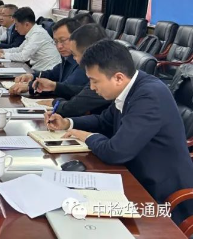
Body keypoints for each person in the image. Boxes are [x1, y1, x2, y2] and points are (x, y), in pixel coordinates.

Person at [46, 40, 193, 223]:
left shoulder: (149, 96)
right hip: (135, 176)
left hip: (162, 197)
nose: (92, 87)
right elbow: (103, 121)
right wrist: (68, 123)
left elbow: (116, 152)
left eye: (94, 81)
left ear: (118, 78)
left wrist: (88, 137)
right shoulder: (131, 88)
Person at [34, 24, 112, 116]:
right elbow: (84, 91)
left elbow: (71, 108)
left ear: (87, 53)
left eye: (75, 55)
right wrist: (55, 86)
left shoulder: (105, 76)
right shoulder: (103, 66)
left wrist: (55, 102)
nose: (74, 59)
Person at [9, 18, 87, 96]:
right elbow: (52, 74)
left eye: (63, 40)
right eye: (56, 41)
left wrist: (30, 86)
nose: (59, 46)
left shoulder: (82, 61)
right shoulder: (67, 57)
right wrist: (32, 76)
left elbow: (66, 88)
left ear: (77, 38)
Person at [0, 7, 60, 71]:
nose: (15, 29)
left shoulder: (37, 34)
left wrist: (3, 55)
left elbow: (23, 57)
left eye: (16, 25)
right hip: (38, 69)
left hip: (47, 72)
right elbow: (19, 49)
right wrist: (3, 51)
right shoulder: (32, 33)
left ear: (27, 24)